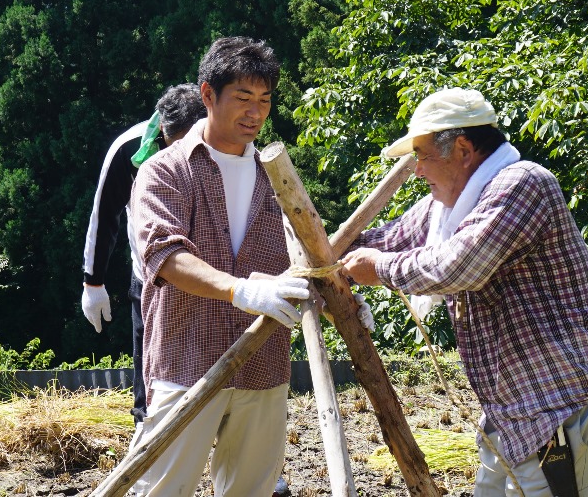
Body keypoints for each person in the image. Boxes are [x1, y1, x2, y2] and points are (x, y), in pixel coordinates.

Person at [339, 87, 588, 497]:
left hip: (569, 406)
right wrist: (319, 255)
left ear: (462, 148)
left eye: (423, 156)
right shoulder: (444, 209)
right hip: (514, 416)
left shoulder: (523, 184)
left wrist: (377, 269)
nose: (418, 171)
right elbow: (385, 239)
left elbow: (459, 265)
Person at [128, 36, 371, 496]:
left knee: (251, 490)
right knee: (162, 488)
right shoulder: (165, 171)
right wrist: (242, 291)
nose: (255, 112)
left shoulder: (275, 174)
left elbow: (304, 263)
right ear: (207, 95)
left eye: (264, 100)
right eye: (242, 98)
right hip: (188, 361)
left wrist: (344, 298)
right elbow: (165, 255)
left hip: (263, 364)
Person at [81, 83, 206, 424]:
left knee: (220, 363)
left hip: (210, 272)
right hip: (151, 277)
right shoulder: (128, 149)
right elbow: (104, 213)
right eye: (173, 144)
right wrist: (93, 282)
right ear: (162, 129)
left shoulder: (221, 145)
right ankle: (145, 439)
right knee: (148, 365)